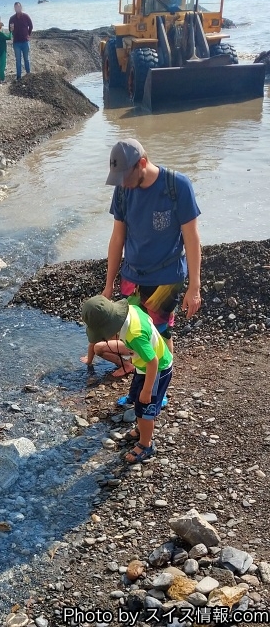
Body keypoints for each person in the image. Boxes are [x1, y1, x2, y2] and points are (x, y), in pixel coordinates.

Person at [103, 138, 201, 406]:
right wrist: (109, 283)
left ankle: (158, 391)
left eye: (125, 176)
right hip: (131, 277)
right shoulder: (123, 191)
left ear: (142, 164)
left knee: (159, 334)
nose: (121, 183)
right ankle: (142, 386)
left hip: (165, 279)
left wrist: (194, 287)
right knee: (135, 335)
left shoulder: (176, 186)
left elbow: (192, 239)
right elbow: (117, 238)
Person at [82, 295, 173, 464]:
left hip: (157, 369)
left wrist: (147, 390)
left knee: (145, 407)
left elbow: (153, 362)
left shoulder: (134, 335)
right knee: (139, 403)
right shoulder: (131, 309)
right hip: (143, 366)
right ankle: (142, 429)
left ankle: (146, 444)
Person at [8, 2, 32, 80]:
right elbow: (10, 30)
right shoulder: (12, 18)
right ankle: (19, 76)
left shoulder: (26, 16)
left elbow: (31, 26)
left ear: (21, 7)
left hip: (25, 41)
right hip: (16, 42)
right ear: (14, 8)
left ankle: (28, 74)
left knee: (26, 59)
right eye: (15, 7)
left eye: (18, 7)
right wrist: (12, 30)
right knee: (18, 60)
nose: (17, 9)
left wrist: (28, 34)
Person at [0, 13, 11, 83]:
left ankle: (0, 78)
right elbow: (9, 37)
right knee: (2, 64)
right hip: (1, 50)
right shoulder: (0, 34)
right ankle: (1, 78)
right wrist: (11, 31)